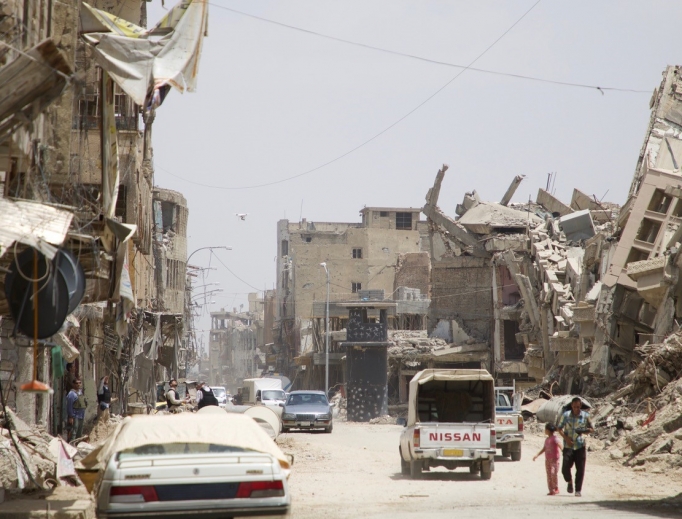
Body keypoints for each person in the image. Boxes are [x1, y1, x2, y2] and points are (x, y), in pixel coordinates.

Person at [557, 396, 594, 497]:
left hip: (580, 445)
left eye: (578, 407)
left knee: (580, 469)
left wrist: (585, 431)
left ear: (580, 406)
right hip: (568, 445)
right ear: (571, 406)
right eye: (574, 407)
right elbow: (559, 428)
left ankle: (578, 490)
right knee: (565, 468)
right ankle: (569, 481)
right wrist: (566, 438)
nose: (576, 409)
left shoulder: (585, 416)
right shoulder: (566, 415)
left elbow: (592, 429)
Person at [533, 423, 562, 495]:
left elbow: (560, 445)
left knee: (553, 473)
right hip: (548, 460)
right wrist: (537, 455)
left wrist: (564, 451)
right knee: (549, 475)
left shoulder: (555, 438)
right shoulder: (547, 439)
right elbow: (544, 448)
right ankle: (551, 490)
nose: (544, 431)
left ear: (548, 430)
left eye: (545, 429)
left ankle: (556, 488)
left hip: (554, 460)